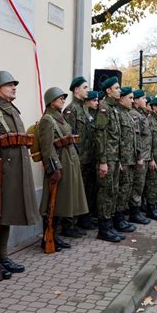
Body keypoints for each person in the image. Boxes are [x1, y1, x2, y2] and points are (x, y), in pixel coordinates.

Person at [0, 70, 40, 280]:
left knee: (6, 216)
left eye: (14, 85)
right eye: (9, 85)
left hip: (12, 175)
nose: (14, 88)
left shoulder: (11, 110)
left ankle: (3, 257)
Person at [39, 87, 89, 248]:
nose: (62, 100)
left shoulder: (59, 117)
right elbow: (47, 148)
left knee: (61, 202)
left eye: (63, 98)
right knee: (53, 202)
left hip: (69, 162)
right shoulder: (47, 119)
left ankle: (55, 235)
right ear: (51, 101)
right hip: (59, 164)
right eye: (59, 98)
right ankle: (49, 237)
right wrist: (54, 168)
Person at [63, 77, 97, 231]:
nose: (87, 90)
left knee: (87, 191)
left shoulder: (84, 108)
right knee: (74, 192)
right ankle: (69, 225)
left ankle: (84, 219)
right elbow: (69, 137)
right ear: (76, 90)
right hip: (78, 158)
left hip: (88, 157)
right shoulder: (71, 110)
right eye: (85, 87)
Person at [94, 76, 124, 242]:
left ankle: (110, 225)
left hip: (114, 158)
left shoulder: (114, 109)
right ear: (108, 91)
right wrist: (103, 161)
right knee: (105, 193)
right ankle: (103, 229)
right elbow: (100, 136)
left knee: (113, 191)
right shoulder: (104, 108)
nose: (119, 90)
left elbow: (116, 138)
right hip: (107, 159)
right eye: (117, 88)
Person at [113, 86, 138, 233]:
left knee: (126, 189)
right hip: (122, 160)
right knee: (121, 190)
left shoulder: (127, 114)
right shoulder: (118, 114)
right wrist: (120, 160)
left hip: (130, 159)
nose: (132, 101)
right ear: (121, 99)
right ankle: (118, 219)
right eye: (130, 98)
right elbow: (117, 139)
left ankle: (121, 218)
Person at [128, 89, 152, 225]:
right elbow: (137, 138)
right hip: (140, 156)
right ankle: (134, 213)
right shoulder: (134, 115)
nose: (145, 101)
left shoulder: (141, 114)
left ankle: (137, 211)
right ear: (136, 100)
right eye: (143, 98)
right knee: (137, 186)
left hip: (145, 155)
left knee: (140, 185)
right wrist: (140, 156)